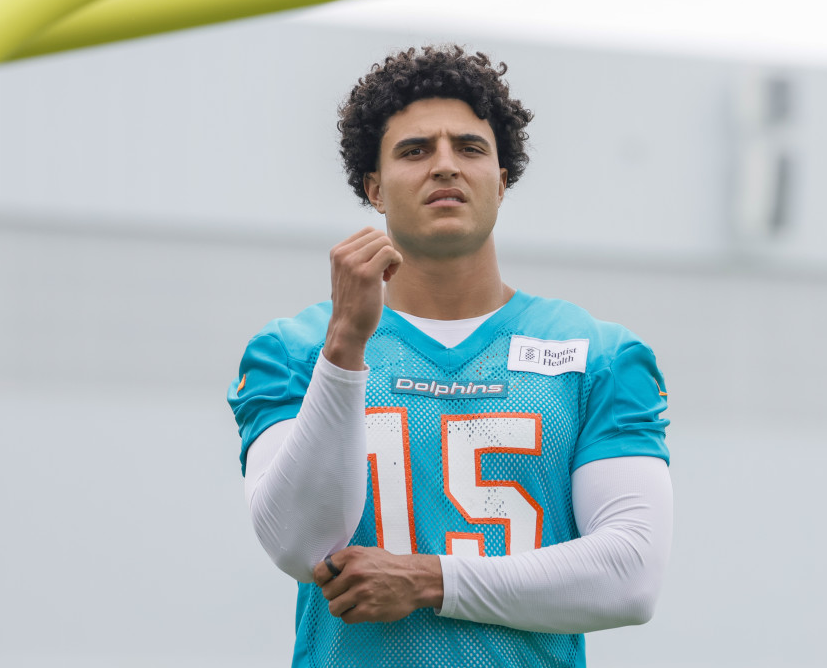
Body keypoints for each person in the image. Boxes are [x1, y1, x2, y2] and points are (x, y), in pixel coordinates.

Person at [227, 45, 673, 668]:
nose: (445, 166)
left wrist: (426, 580)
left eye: (469, 148)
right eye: (415, 150)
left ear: (502, 178)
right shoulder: (295, 350)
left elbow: (631, 575)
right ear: (374, 188)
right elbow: (298, 546)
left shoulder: (596, 354)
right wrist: (345, 349)